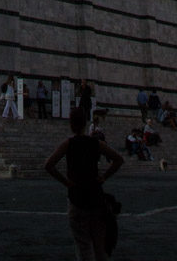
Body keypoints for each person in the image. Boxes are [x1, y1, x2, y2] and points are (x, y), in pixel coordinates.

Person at [46, 106, 124, 261]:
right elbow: (118, 160)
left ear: (71, 124)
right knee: (100, 248)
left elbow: (49, 165)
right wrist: (103, 177)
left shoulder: (68, 144)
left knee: (83, 248)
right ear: (85, 123)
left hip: (77, 198)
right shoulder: (96, 143)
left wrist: (66, 182)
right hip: (96, 197)